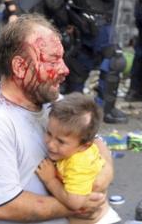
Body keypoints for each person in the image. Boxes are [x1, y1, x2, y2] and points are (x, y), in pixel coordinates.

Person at [0, 13, 113, 224]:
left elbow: (92, 141)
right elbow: (4, 206)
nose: (64, 69)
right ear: (20, 67)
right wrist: (78, 206)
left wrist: (99, 183)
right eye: (53, 60)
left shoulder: (50, 98)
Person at [35, 93, 120, 224]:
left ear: (84, 146)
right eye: (49, 133)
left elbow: (75, 202)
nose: (51, 144)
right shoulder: (76, 147)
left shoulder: (78, 163)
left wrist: (50, 180)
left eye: (61, 141)